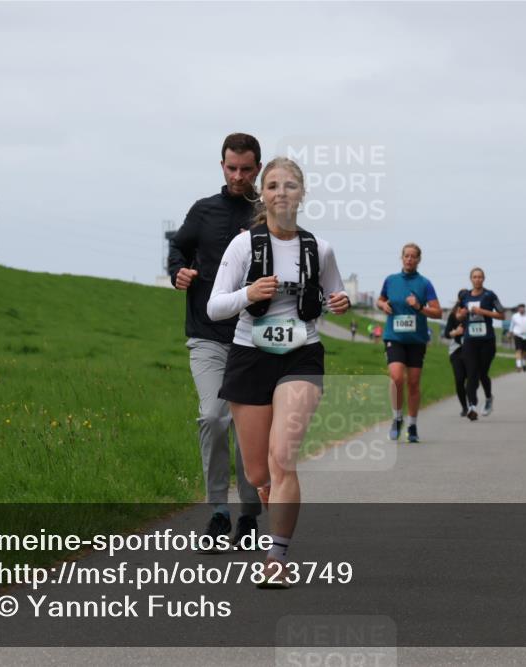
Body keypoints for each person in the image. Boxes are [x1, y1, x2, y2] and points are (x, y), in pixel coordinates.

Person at [207, 157, 349, 587]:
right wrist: (248, 293)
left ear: (301, 193)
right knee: (257, 473)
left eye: (289, 186)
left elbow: (334, 292)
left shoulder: (319, 248)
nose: (281, 192)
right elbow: (215, 307)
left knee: (282, 456)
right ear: (262, 194)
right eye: (272, 186)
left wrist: (338, 301)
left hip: (301, 355)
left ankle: (276, 558)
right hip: (251, 355)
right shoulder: (243, 246)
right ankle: (273, 507)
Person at [168, 133, 263, 550]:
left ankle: (248, 514)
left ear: (257, 168)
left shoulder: (267, 214)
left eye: (245, 169)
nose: (238, 176)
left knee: (246, 430)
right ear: (222, 166)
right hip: (207, 335)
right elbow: (178, 249)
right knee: (212, 417)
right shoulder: (203, 211)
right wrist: (179, 272)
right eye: (231, 168)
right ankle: (217, 511)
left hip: (255, 339)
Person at [378, 244, 442, 443]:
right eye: (406, 256)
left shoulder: (425, 283)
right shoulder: (391, 280)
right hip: (394, 337)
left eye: (414, 257)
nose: (409, 259)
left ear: (419, 260)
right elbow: (379, 300)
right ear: (402, 258)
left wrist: (419, 306)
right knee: (397, 377)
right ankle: (397, 418)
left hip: (416, 339)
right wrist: (383, 305)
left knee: (413, 382)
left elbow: (438, 312)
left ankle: (412, 424)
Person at [456, 268, 505, 420]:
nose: (477, 279)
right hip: (470, 340)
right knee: (471, 374)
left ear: (484, 279)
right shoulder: (465, 296)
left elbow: (502, 314)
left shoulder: (489, 295)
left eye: (480, 277)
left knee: (483, 374)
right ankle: (472, 406)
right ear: (471, 279)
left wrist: (483, 311)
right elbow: (458, 315)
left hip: (487, 341)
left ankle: (489, 398)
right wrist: (461, 315)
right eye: (474, 277)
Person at [443, 295, 469, 416]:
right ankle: (464, 407)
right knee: (459, 380)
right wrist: (456, 332)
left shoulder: (474, 314)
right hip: (456, 351)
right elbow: (447, 334)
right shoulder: (453, 316)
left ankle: (472, 403)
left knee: (472, 380)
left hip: (471, 351)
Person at [509, 303, 526, 372]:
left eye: (522, 308)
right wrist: (510, 333)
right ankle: (519, 366)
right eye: (520, 308)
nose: (521, 309)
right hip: (517, 335)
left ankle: (524, 364)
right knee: (518, 350)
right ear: (518, 309)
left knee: (525, 351)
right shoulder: (515, 316)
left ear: (524, 308)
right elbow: (512, 325)